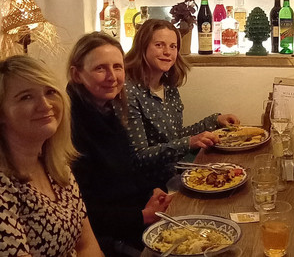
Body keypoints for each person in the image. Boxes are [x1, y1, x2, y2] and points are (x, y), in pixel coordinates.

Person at [68, 32, 173, 256]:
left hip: (133, 220)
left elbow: (127, 169)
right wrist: (142, 216)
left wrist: (152, 190)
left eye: (117, 67)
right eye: (100, 68)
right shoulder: (70, 125)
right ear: (76, 74)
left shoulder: (106, 110)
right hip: (107, 240)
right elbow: (81, 209)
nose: (112, 77)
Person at [0, 55, 103, 256]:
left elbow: (86, 244)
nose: (45, 105)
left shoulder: (56, 166)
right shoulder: (5, 187)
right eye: (26, 97)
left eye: (50, 92)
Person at [124, 19, 240, 189]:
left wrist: (215, 120)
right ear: (142, 47)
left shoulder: (168, 87)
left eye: (173, 46)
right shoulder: (129, 92)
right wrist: (189, 143)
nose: (167, 52)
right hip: (151, 187)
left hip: (177, 172)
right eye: (159, 45)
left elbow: (174, 137)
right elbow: (139, 157)